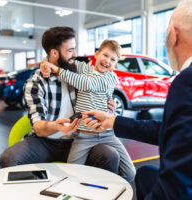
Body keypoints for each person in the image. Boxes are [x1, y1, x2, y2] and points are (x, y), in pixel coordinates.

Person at [82, 0, 192, 199]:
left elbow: (180, 186)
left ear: (173, 34)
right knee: (145, 174)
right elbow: (175, 131)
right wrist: (112, 121)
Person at [0, 26, 120, 174]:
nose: (75, 54)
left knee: (110, 155)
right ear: (54, 53)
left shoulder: (77, 71)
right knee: (9, 158)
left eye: (74, 49)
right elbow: (38, 127)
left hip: (80, 138)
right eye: (70, 50)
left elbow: (101, 78)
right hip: (45, 142)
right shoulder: (35, 83)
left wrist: (108, 100)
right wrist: (57, 126)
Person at [40, 40, 136, 182]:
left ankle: (109, 190)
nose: (108, 61)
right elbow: (60, 59)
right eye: (105, 55)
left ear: (115, 64)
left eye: (113, 60)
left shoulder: (111, 77)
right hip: (84, 136)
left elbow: (87, 84)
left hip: (107, 134)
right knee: (70, 175)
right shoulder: (83, 69)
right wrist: (45, 63)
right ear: (96, 54)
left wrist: (56, 69)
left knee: (130, 173)